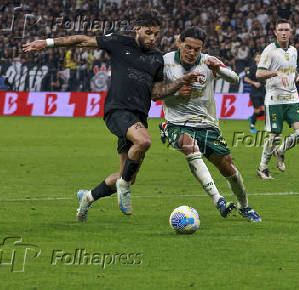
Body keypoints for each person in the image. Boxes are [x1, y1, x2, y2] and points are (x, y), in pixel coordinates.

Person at [23, 9, 202, 222]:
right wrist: (48, 42)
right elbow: (82, 40)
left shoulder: (156, 59)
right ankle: (123, 187)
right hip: (117, 111)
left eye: (156, 34)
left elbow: (156, 94)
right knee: (144, 141)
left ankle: (87, 198)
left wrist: (180, 82)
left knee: (127, 174)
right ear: (137, 29)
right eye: (148, 32)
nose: (153, 38)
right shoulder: (119, 43)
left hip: (138, 118)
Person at [159, 27, 261, 222]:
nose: (191, 52)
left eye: (196, 49)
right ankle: (219, 200)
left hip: (206, 124)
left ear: (201, 49)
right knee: (189, 145)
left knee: (227, 166)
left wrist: (219, 69)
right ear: (179, 43)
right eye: (187, 47)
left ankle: (244, 207)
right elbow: (153, 91)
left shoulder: (208, 61)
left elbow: (234, 78)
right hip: (177, 121)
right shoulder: (165, 62)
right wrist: (175, 92)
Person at [255, 18, 299, 180]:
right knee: (275, 136)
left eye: (286, 30)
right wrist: (276, 73)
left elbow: (293, 71)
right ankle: (262, 168)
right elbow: (259, 74)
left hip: (292, 98)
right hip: (275, 99)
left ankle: (281, 150)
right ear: (275, 32)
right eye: (281, 30)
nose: (284, 33)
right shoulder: (269, 51)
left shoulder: (293, 51)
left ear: (291, 32)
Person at [245, 53, 266, 133]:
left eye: (261, 56)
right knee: (257, 111)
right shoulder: (252, 68)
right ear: (255, 59)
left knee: (265, 110)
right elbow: (246, 79)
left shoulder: (264, 68)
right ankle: (252, 127)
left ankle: (252, 118)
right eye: (258, 57)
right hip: (255, 93)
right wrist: (254, 83)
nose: (260, 58)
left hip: (263, 92)